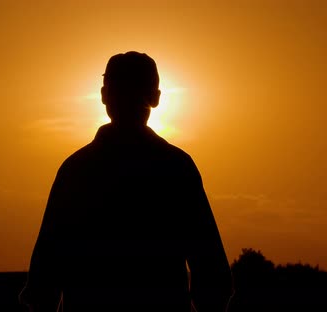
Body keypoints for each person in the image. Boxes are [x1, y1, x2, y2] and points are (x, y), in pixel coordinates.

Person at [20, 51, 233, 311]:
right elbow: (211, 269)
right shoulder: (177, 167)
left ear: (103, 96)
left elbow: (46, 272)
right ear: (156, 98)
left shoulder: (76, 170)